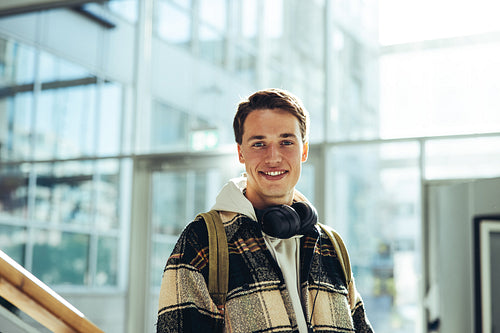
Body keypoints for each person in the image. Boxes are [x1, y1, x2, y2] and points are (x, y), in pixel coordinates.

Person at [156, 88, 373, 333]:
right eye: (259, 143)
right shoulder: (202, 241)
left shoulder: (331, 246)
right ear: (240, 152)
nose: (273, 157)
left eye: (286, 142)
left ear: (304, 151)